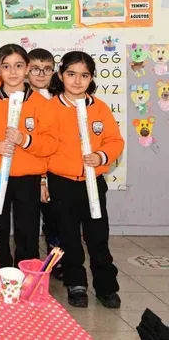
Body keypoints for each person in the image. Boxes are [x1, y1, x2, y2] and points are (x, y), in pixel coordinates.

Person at [47, 51, 124, 309]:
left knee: (98, 236)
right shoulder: (50, 108)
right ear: (61, 76)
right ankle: (76, 283)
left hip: (93, 183)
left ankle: (106, 286)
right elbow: (42, 148)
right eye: (71, 74)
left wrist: (101, 156)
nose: (77, 81)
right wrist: (43, 181)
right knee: (68, 236)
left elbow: (115, 141)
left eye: (84, 75)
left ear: (91, 78)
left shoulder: (99, 107)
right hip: (62, 183)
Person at [0, 44, 58, 269]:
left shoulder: (41, 104)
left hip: (27, 177)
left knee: (27, 230)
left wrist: (24, 140)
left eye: (18, 66)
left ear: (27, 68)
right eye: (6, 66)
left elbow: (50, 143)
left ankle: (26, 274)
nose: (12, 72)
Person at [26, 47, 61, 277]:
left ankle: (56, 263)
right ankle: (28, 263)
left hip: (56, 172)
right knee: (28, 222)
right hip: (32, 172)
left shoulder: (59, 100)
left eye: (47, 69)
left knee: (55, 220)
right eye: (35, 69)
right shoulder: (22, 100)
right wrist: (41, 179)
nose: (41, 74)